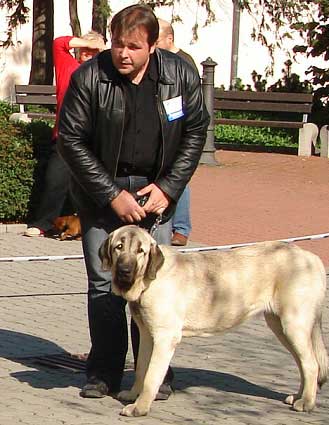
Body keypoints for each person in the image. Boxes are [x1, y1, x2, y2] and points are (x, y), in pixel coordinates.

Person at [57, 4, 209, 399]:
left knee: (153, 283)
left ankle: (152, 376)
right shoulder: (90, 77)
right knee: (104, 282)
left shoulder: (180, 75)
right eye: (118, 45)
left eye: (134, 47)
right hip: (99, 191)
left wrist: (169, 188)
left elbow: (196, 132)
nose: (123, 54)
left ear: (153, 46)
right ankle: (104, 372)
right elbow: (71, 140)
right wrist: (111, 195)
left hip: (155, 188)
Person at [24, 32, 105, 237]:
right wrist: (89, 42)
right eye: (86, 48)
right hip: (65, 135)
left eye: (95, 50)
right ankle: (44, 223)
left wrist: (102, 50)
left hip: (93, 138)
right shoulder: (68, 66)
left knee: (89, 184)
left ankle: (86, 226)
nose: (89, 52)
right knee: (55, 179)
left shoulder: (104, 73)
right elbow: (59, 43)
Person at [156, 18, 198, 246]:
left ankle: (181, 228)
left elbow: (184, 102)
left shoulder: (183, 62)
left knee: (178, 177)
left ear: (169, 39)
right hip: (163, 129)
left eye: (157, 39)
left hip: (178, 128)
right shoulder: (160, 59)